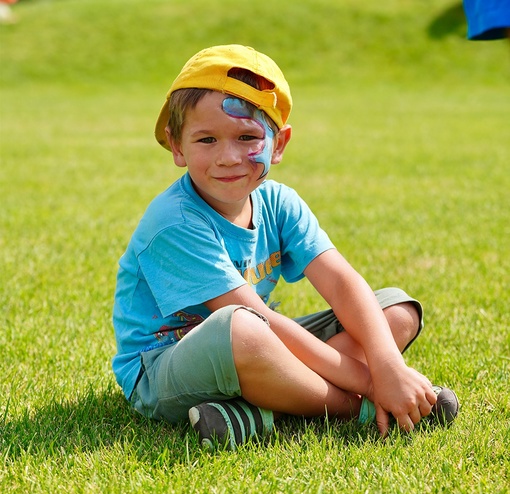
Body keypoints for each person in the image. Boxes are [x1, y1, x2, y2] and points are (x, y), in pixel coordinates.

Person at [112, 44, 459, 450]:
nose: (228, 157)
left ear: (278, 145)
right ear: (176, 145)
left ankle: (257, 414)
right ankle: (357, 409)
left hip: (259, 343)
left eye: (248, 137)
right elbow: (258, 320)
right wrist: (377, 381)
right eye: (206, 139)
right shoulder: (174, 222)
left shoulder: (279, 202)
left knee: (395, 312)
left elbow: (342, 282)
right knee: (244, 329)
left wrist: (387, 362)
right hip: (164, 368)